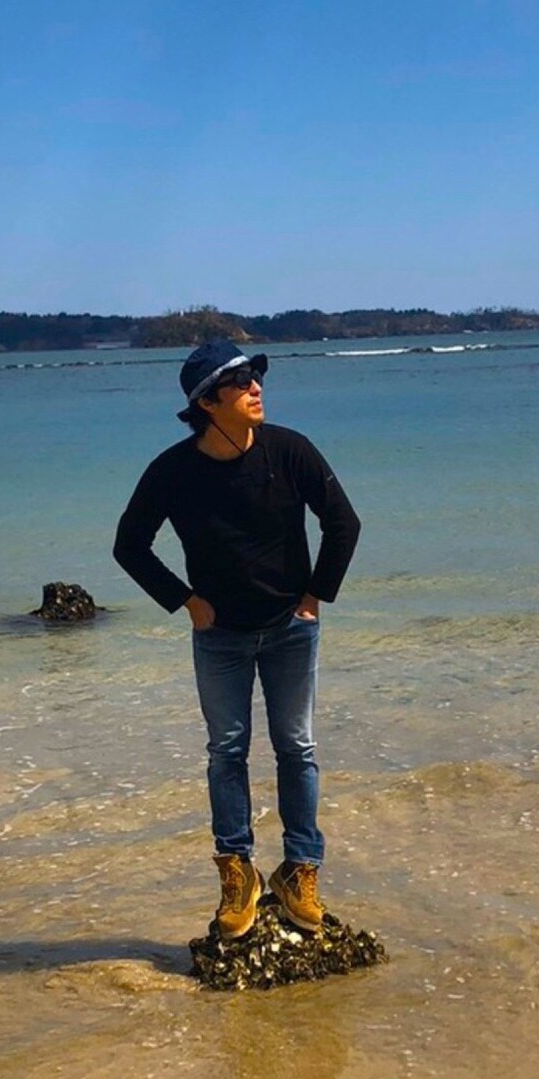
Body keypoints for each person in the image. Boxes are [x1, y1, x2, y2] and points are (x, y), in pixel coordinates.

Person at [113, 341, 361, 940]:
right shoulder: (172, 471)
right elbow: (129, 545)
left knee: (296, 747)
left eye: (256, 377)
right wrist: (187, 602)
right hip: (219, 636)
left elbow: (343, 522)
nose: (256, 387)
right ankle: (238, 872)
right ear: (208, 402)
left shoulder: (290, 450)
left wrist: (314, 596)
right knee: (226, 751)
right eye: (242, 380)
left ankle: (300, 870)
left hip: (289, 630)